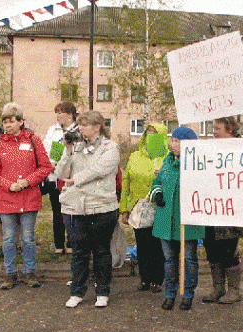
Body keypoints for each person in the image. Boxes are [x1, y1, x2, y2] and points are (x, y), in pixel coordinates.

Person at [55, 110, 121, 308]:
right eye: (79, 125)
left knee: (101, 250)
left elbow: (100, 169)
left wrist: (77, 179)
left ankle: (102, 291)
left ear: (97, 127)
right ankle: (77, 291)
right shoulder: (74, 147)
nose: (80, 129)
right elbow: (60, 172)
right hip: (75, 208)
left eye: (84, 125)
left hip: (101, 207)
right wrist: (67, 151)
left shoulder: (111, 147)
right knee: (79, 252)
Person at [0, 103, 53, 291]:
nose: (8, 125)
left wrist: (27, 182)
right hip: (6, 199)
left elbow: (46, 166)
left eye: (12, 121)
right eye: (5, 122)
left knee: (28, 238)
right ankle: (10, 273)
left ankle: (30, 272)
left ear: (21, 122)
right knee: (8, 238)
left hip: (29, 197)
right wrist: (8, 185)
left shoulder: (34, 141)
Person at [151, 127, 205, 311]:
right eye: (173, 140)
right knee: (169, 259)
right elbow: (156, 182)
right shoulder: (166, 162)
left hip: (186, 219)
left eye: (179, 142)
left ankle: (188, 293)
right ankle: (170, 293)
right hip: (166, 218)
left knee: (189, 258)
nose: (174, 145)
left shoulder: (196, 164)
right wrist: (157, 194)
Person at [200, 116, 243, 305]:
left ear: (229, 130)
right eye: (213, 127)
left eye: (217, 128)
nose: (213, 131)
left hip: (231, 211)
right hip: (211, 210)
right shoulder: (209, 150)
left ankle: (234, 290)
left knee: (229, 250)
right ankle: (218, 288)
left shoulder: (241, 151)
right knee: (212, 249)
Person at [120, 123, 169, 293]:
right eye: (148, 133)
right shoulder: (135, 156)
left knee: (157, 244)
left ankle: (157, 278)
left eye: (155, 134)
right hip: (138, 207)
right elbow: (126, 182)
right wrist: (124, 209)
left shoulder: (168, 158)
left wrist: (162, 175)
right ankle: (144, 278)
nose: (150, 137)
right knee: (142, 244)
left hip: (159, 207)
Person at [43, 102, 78, 255]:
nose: (58, 116)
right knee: (57, 211)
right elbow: (48, 148)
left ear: (70, 114)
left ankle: (71, 243)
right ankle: (59, 244)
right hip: (55, 176)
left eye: (60, 112)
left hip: (72, 177)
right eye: (56, 113)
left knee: (71, 212)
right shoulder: (53, 130)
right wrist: (51, 163)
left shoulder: (78, 129)